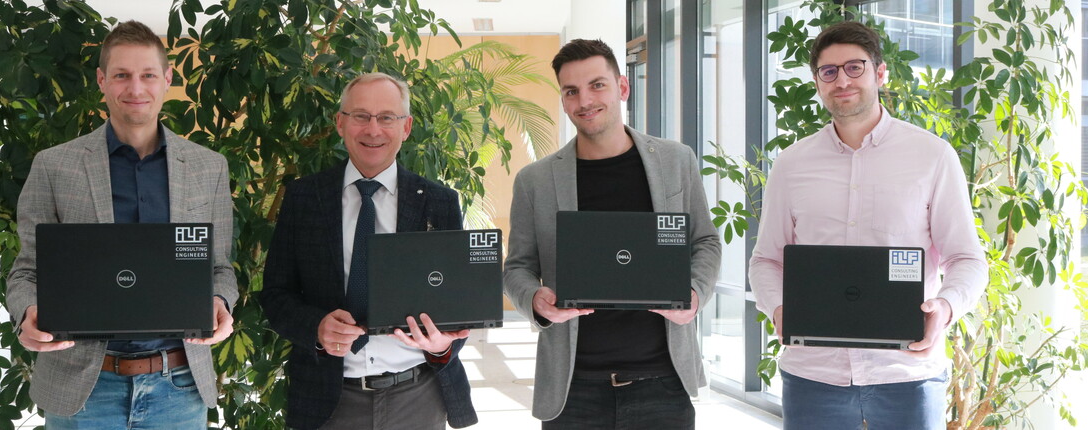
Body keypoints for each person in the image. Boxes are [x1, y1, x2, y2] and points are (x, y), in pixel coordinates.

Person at [748, 21, 988, 430]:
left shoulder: (932, 156)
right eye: (829, 71)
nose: (842, 80)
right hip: (813, 377)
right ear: (818, 82)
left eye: (854, 67)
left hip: (907, 375)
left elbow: (967, 258)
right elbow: (766, 259)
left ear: (879, 73)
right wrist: (779, 308)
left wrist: (945, 308)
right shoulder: (792, 164)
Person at [5, 20, 237, 429]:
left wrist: (220, 302)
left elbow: (219, 268)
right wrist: (27, 313)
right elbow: (26, 270)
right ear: (102, 80)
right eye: (122, 75)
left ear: (167, 78)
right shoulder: (54, 166)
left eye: (148, 75)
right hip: (83, 389)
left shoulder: (208, 167)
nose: (136, 89)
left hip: (179, 389)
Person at [503, 39, 721, 429]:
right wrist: (536, 300)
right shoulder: (534, 181)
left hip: (662, 381)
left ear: (622, 87)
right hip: (573, 389)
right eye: (571, 91)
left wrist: (696, 293)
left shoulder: (676, 160)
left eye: (596, 85)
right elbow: (517, 267)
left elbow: (704, 241)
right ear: (564, 100)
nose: (584, 100)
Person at [259, 72, 476, 430]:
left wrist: (440, 346)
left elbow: (455, 307)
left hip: (418, 397)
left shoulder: (439, 202)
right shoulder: (304, 198)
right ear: (341, 124)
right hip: (328, 399)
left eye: (386, 117)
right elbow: (275, 293)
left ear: (405, 128)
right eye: (360, 116)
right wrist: (316, 328)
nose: (373, 130)